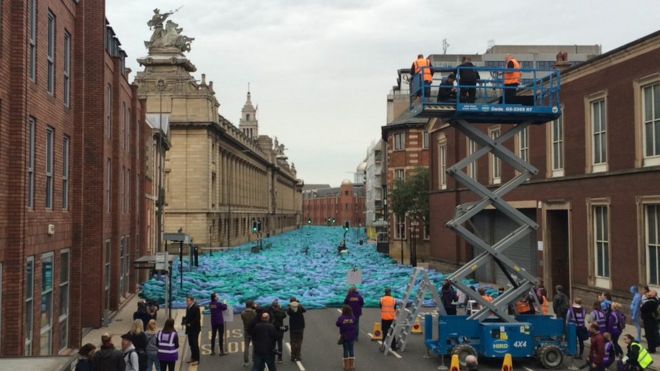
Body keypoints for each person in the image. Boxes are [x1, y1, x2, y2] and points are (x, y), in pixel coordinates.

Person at [336, 305, 357, 371]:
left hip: (344, 336)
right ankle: (352, 365)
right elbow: (355, 323)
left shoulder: (341, 318)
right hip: (352, 336)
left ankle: (346, 366)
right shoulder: (353, 317)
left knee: (345, 350)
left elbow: (337, 324)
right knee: (351, 350)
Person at [183, 296, 201, 365]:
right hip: (189, 329)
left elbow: (197, 319)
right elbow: (187, 316)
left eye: (188, 301)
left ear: (192, 301)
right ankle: (193, 357)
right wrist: (185, 321)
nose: (187, 302)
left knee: (195, 344)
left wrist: (190, 324)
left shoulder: (196, 308)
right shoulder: (188, 308)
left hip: (195, 329)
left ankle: (197, 359)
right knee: (191, 344)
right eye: (187, 301)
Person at [241, 300, 258, 367]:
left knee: (246, 346)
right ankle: (254, 359)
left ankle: (246, 361)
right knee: (255, 346)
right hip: (254, 331)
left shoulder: (243, 313)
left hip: (246, 331)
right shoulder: (254, 313)